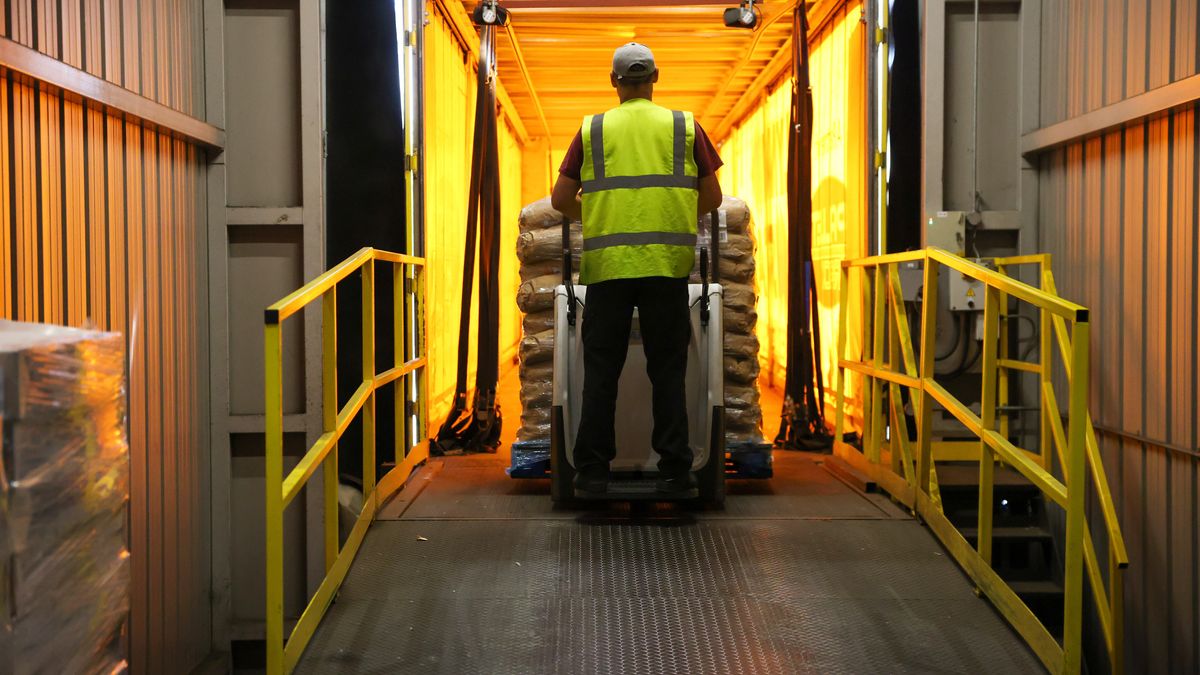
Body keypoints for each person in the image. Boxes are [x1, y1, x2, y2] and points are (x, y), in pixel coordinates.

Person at [550, 42, 724, 495]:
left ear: (614, 81)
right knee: (667, 369)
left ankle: (591, 471)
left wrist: (604, 217)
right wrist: (672, 217)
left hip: (607, 270)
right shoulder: (684, 126)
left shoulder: (593, 130)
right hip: (666, 267)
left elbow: (560, 199)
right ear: (656, 78)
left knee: (602, 370)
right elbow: (713, 197)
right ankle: (674, 468)